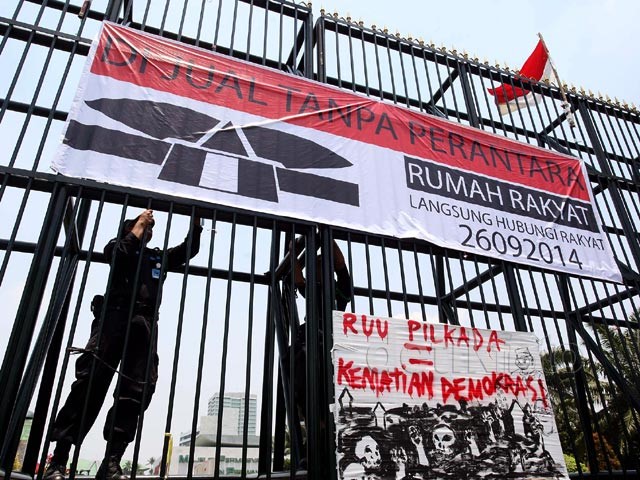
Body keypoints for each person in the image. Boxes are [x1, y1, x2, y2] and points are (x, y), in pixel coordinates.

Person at [44, 209, 202, 480]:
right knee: (89, 385)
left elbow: (189, 250)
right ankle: (58, 460)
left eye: (149, 227)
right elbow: (119, 256)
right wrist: (139, 224)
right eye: (141, 226)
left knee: (135, 391)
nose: (148, 229)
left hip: (144, 325)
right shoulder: (118, 246)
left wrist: (196, 221)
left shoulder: (157, 257)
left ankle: (112, 461)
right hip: (113, 320)